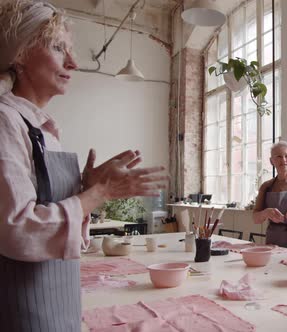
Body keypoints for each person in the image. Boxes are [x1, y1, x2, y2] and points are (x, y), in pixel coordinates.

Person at [0, 2, 168, 331]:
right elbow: (18, 229)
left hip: (57, 302)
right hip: (24, 311)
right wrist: (99, 193)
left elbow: (52, 219)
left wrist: (86, 187)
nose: (74, 62)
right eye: (58, 47)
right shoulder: (5, 121)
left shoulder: (41, 128)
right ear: (19, 54)